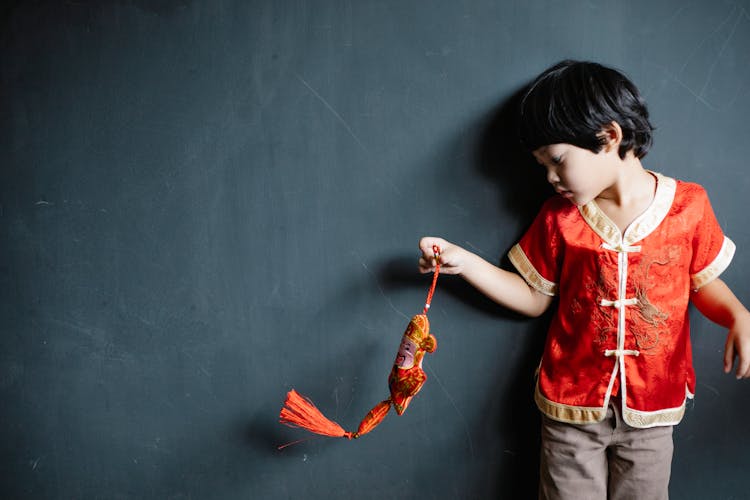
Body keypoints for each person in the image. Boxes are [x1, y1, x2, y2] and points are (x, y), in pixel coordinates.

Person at [418, 60, 750, 500]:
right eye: (542, 166)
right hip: (570, 409)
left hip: (653, 408)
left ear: (609, 136)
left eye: (557, 160)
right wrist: (464, 262)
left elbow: (702, 283)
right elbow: (535, 298)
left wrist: (738, 315)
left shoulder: (688, 205)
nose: (551, 178)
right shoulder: (559, 218)